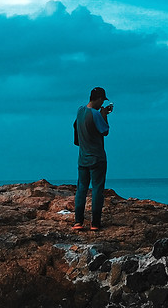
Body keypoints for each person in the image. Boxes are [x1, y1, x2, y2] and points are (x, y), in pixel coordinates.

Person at [72, 86, 113, 231]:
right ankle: (95, 223)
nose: (102, 104)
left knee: (81, 189)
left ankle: (78, 222)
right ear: (100, 99)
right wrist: (104, 114)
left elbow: (76, 127)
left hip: (83, 158)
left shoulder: (80, 111)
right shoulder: (95, 114)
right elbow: (105, 130)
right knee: (97, 190)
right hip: (97, 158)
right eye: (102, 101)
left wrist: (101, 113)